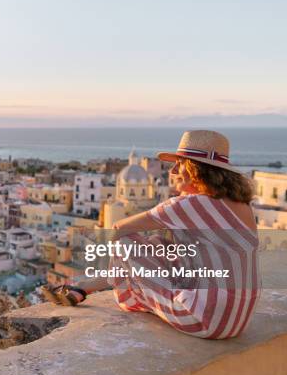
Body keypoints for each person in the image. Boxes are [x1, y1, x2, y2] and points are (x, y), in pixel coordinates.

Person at [42, 130, 260, 339]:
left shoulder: (192, 204)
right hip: (238, 321)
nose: (173, 171)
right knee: (159, 243)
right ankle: (83, 288)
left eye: (180, 164)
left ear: (196, 169)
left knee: (127, 242)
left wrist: (127, 266)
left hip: (204, 319)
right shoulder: (243, 206)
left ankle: (85, 289)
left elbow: (119, 229)